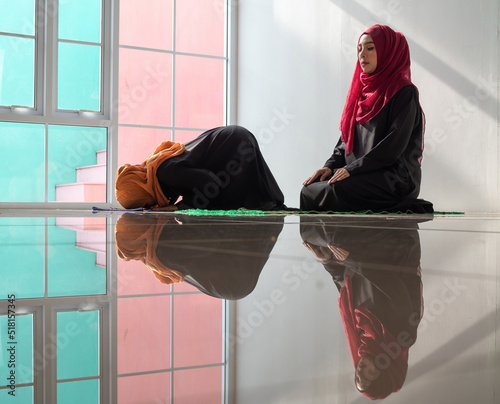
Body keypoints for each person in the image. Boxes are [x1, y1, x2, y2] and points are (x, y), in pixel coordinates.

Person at [301, 25, 433, 213]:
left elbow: (393, 146)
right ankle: (317, 244)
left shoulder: (404, 92)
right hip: (361, 174)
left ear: (388, 52)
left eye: (370, 48)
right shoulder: (360, 95)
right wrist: (329, 167)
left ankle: (343, 241)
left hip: (394, 177)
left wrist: (353, 169)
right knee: (309, 190)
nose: (362, 54)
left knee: (339, 189)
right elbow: (345, 143)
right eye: (359, 49)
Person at [300, 216, 426, 399]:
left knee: (309, 233)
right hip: (392, 243)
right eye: (367, 376)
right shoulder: (401, 336)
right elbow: (390, 282)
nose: (360, 370)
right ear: (385, 370)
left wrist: (328, 262)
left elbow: (346, 286)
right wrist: (351, 260)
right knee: (328, 231)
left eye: (357, 376)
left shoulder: (362, 341)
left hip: (362, 250)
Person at [116, 125, 286, 211]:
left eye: (146, 203)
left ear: (144, 189)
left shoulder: (166, 172)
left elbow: (209, 182)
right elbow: (190, 183)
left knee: (226, 204)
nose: (151, 206)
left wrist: (179, 207)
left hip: (235, 144)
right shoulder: (157, 172)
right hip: (233, 137)